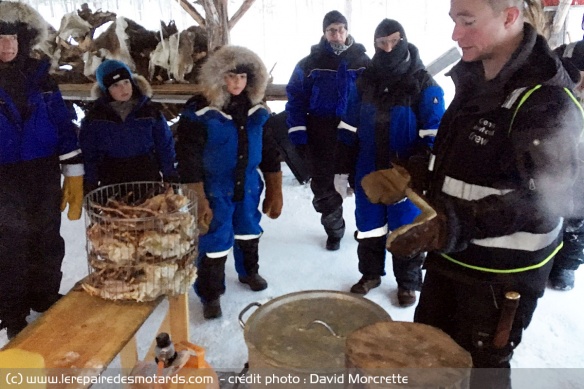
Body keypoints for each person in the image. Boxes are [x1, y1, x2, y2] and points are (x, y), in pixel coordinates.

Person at [362, 0, 583, 387]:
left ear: (510, 16)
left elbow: (552, 201)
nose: (455, 34)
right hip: (453, 263)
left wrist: (453, 224)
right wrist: (415, 174)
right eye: (453, 20)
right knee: (431, 363)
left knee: (479, 376)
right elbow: (467, 165)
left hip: (500, 282)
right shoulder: (476, 80)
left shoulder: (546, 102)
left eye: (467, 21)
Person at [338, 19, 445, 307]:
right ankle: (370, 274)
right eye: (381, 43)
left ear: (404, 40)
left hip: (406, 175)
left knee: (406, 228)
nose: (387, 47)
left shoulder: (423, 82)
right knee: (369, 226)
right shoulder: (364, 81)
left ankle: (407, 283)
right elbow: (348, 126)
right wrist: (341, 167)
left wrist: (418, 167)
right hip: (368, 170)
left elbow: (434, 132)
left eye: (394, 41)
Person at [175, 46, 283, 320]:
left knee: (248, 229)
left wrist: (274, 187)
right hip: (214, 187)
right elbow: (187, 158)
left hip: (247, 185)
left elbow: (270, 151)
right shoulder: (199, 112)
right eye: (231, 76)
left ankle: (249, 272)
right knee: (214, 240)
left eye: (243, 78)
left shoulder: (257, 111)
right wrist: (196, 196)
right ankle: (211, 294)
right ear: (219, 77)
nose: (237, 83)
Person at [0, 1, 83, 339]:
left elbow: (63, 124)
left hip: (43, 171)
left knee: (47, 238)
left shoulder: (42, 79)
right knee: (10, 245)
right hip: (4, 178)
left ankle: (45, 297)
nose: (6, 45)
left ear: (23, 40)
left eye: (12, 38)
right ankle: (13, 312)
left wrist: (73, 171)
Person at [285, 10, 370, 251]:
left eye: (341, 29)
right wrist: (299, 133)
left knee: (362, 182)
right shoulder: (309, 64)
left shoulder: (363, 62)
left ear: (347, 31)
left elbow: (374, 98)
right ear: (324, 33)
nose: (337, 34)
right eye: (332, 30)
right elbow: (296, 98)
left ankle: (368, 231)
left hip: (355, 132)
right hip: (320, 131)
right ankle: (334, 228)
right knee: (323, 186)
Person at [79, 59, 178, 191]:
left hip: (147, 179)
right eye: (115, 85)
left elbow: (164, 145)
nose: (123, 88)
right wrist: (90, 182)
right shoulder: (95, 119)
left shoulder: (149, 112)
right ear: (106, 90)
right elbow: (89, 153)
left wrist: (169, 174)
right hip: (111, 182)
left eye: (126, 82)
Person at [548, 41, 584, 291]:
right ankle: (546, 254)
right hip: (558, 136)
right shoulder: (566, 53)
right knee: (548, 201)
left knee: (580, 213)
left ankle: (567, 264)